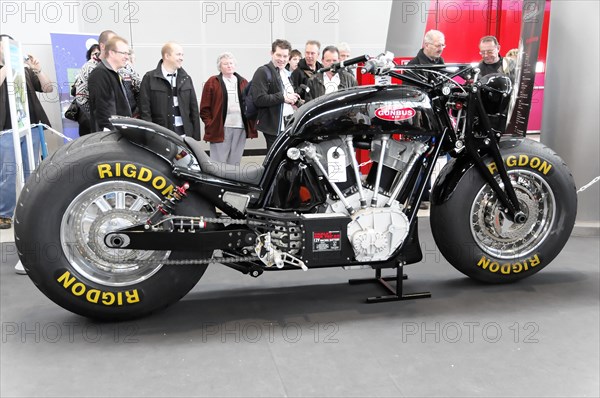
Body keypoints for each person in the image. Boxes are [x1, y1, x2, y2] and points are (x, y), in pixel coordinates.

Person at [1, 36, 53, 241]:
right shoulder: (5, 68)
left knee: (32, 170)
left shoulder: (26, 70)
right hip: (5, 128)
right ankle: (4, 213)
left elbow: (48, 88)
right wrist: (8, 64)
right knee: (7, 171)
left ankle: (32, 208)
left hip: (30, 125)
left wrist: (37, 68)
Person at [407, 30, 447, 209]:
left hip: (440, 118)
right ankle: (417, 195)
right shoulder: (413, 66)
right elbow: (410, 95)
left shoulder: (441, 63)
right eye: (438, 45)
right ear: (427, 45)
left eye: (443, 45)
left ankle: (433, 192)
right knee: (418, 158)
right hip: (420, 121)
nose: (441, 49)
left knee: (439, 158)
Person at [200, 52, 258, 164]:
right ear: (220, 67)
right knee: (219, 162)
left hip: (240, 126)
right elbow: (204, 108)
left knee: (235, 161)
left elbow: (251, 103)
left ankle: (233, 181)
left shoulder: (243, 82)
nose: (229, 65)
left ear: (235, 65)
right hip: (220, 128)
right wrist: (210, 123)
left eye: (231, 63)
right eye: (225, 64)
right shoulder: (212, 82)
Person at [139, 42, 201, 139]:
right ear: (167, 56)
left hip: (185, 137)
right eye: (178, 54)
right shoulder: (149, 78)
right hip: (161, 136)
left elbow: (194, 109)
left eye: (182, 55)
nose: (181, 58)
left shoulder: (186, 78)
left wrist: (195, 136)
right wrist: (150, 135)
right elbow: (144, 110)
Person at [251, 39, 299, 151]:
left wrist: (293, 99)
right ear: (272, 53)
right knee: (275, 163)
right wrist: (283, 98)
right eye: (278, 55)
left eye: (285, 56)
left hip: (287, 126)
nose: (282, 59)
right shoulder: (263, 71)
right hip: (274, 128)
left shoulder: (285, 73)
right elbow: (259, 99)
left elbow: (284, 96)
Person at [74, 30, 116, 135]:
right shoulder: (89, 67)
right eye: (112, 43)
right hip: (102, 126)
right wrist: (96, 116)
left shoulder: (124, 66)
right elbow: (81, 97)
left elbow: (136, 88)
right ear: (102, 46)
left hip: (125, 122)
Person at [88, 36, 133, 131]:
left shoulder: (114, 73)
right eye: (124, 53)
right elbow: (103, 110)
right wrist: (111, 133)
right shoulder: (100, 74)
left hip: (120, 133)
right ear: (112, 53)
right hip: (110, 137)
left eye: (127, 53)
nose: (127, 57)